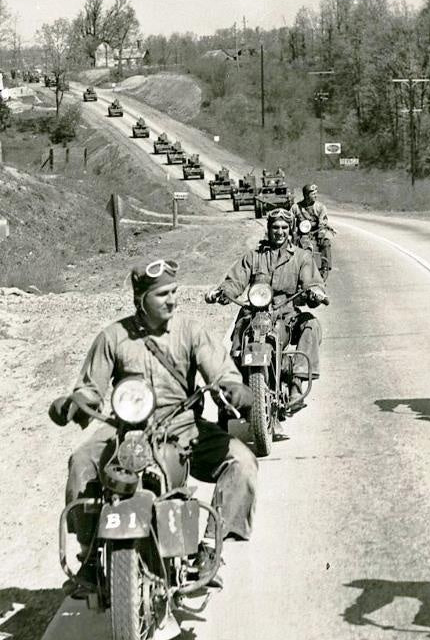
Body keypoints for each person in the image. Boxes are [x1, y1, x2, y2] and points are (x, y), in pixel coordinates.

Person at [49, 258, 258, 592]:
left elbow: (220, 372)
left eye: (174, 291)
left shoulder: (191, 331)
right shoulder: (113, 337)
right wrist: (76, 405)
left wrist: (233, 387)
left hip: (183, 426)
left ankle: (209, 547)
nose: (171, 300)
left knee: (243, 463)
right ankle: (88, 554)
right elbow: (90, 389)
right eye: (162, 294)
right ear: (140, 299)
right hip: (126, 428)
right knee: (82, 460)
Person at [207, 208, 327, 408]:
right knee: (239, 335)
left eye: (284, 227)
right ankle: (234, 386)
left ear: (291, 230)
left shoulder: (301, 257)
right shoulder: (253, 256)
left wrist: (315, 293)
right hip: (254, 313)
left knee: (312, 325)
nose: (279, 232)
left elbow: (312, 282)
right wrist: (222, 292)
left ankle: (296, 380)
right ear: (268, 229)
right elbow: (235, 281)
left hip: (286, 314)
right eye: (275, 227)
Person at [291, 183, 333, 276]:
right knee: (291, 244)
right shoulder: (296, 207)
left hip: (316, 232)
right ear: (306, 195)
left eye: (316, 193)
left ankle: (325, 267)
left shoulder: (320, 207)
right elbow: (290, 219)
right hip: (300, 234)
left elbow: (323, 221)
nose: (315, 195)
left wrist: (321, 230)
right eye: (313, 194)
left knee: (326, 241)